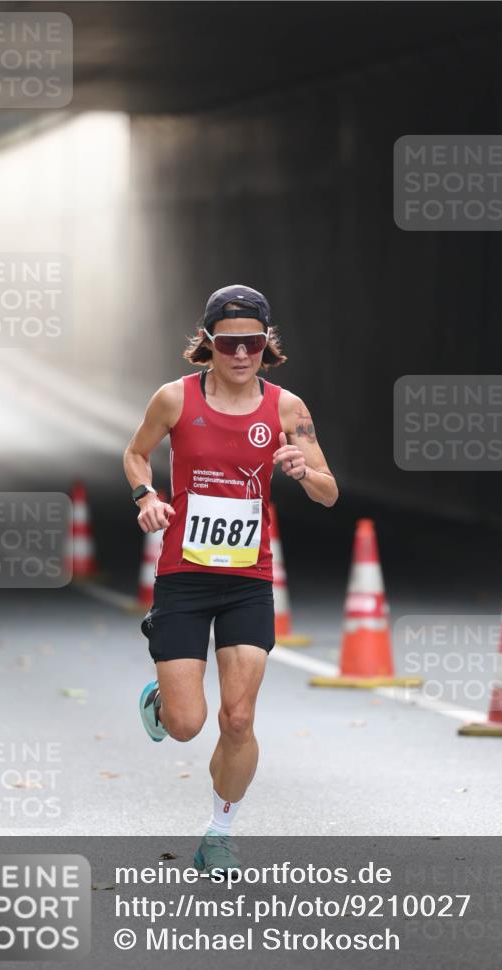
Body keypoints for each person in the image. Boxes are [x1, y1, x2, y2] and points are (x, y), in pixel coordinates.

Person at [123, 284, 338, 874]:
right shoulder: (174, 399)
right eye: (228, 343)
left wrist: (301, 471)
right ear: (208, 344)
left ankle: (219, 831)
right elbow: (136, 453)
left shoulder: (289, 409)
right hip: (183, 576)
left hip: (249, 579)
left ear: (266, 345)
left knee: (238, 717)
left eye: (252, 343)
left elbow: (328, 491)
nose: (241, 354)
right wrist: (146, 496)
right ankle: (162, 701)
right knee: (189, 726)